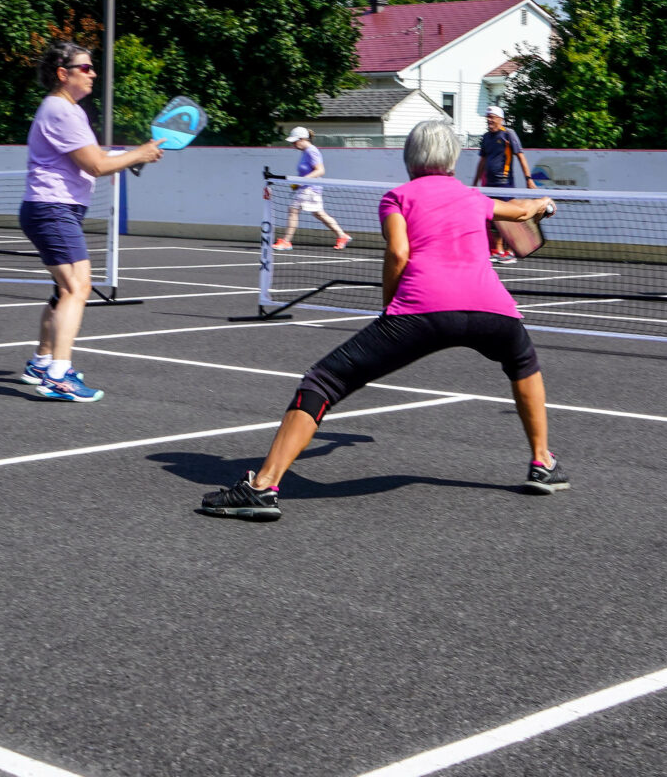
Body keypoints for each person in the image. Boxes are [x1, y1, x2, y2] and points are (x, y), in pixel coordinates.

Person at [200, 119, 566, 521]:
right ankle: (542, 463)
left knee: (324, 381)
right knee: (523, 364)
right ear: (453, 158)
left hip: (421, 308)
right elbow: (522, 210)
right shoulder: (474, 197)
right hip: (491, 309)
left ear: (410, 158)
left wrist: (391, 307)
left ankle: (263, 485)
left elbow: (398, 254)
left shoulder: (398, 197)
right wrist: (544, 204)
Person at [19, 41, 164, 401]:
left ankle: (42, 361)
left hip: (52, 208)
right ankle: (58, 375)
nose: (93, 73)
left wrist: (134, 156)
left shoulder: (67, 109)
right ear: (62, 73)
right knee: (77, 289)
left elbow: (95, 155)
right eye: (85, 68)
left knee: (62, 291)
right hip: (54, 209)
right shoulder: (62, 111)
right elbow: (97, 166)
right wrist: (139, 153)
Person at [473, 105, 535, 265]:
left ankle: (511, 251)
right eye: (488, 117)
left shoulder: (509, 134)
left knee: (507, 218)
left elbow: (521, 156)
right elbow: (482, 161)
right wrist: (475, 182)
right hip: (489, 185)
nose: (489, 120)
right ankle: (499, 251)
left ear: (500, 119)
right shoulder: (486, 137)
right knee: (494, 219)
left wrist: (528, 178)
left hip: (505, 184)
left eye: (492, 117)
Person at [272, 126, 351, 251]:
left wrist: (300, 181)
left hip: (310, 188)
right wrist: (298, 183)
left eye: (295, 141)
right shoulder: (306, 152)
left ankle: (286, 241)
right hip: (308, 187)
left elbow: (320, 170)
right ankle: (342, 236)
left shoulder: (311, 151)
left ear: (303, 139)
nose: (293, 144)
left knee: (293, 210)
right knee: (319, 213)